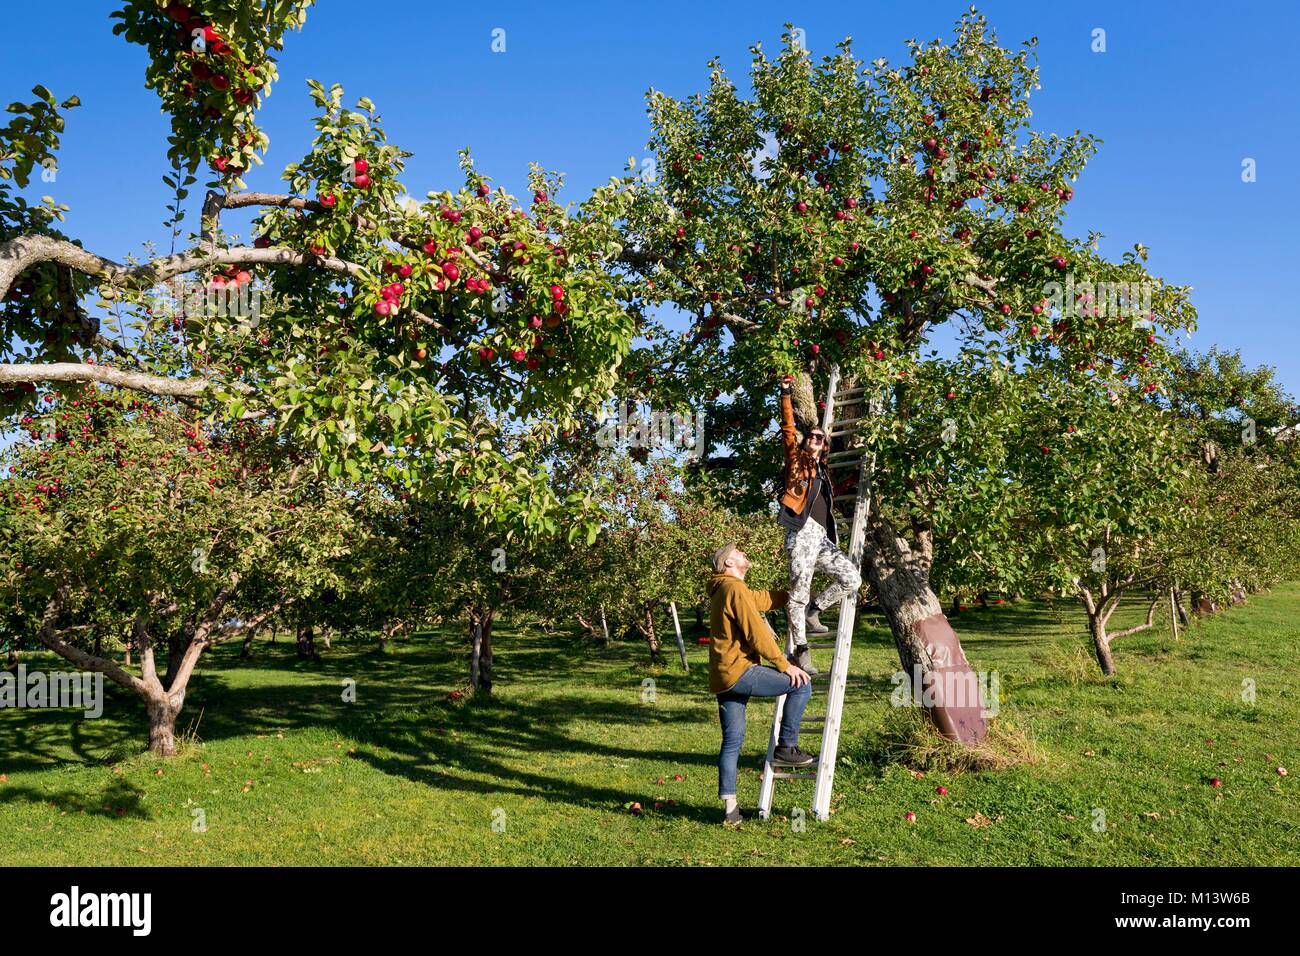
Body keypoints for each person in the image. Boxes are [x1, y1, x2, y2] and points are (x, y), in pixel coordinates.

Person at [708, 541, 814, 826]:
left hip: (723, 678)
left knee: (732, 741)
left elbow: (760, 599)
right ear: (729, 563)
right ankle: (787, 747)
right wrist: (784, 664)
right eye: (738, 552)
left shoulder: (726, 590)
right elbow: (757, 634)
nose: (744, 554)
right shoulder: (733, 588)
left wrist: (792, 595)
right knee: (801, 684)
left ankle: (731, 811)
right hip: (740, 672)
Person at [776, 375, 863, 674]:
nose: (815, 439)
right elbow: (788, 428)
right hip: (801, 534)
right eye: (812, 436)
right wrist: (786, 392)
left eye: (820, 438)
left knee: (851, 578)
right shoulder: (796, 460)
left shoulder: (823, 472)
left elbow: (828, 499)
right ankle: (801, 650)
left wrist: (856, 480)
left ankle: (816, 610)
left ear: (826, 446)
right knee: (798, 592)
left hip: (822, 538)